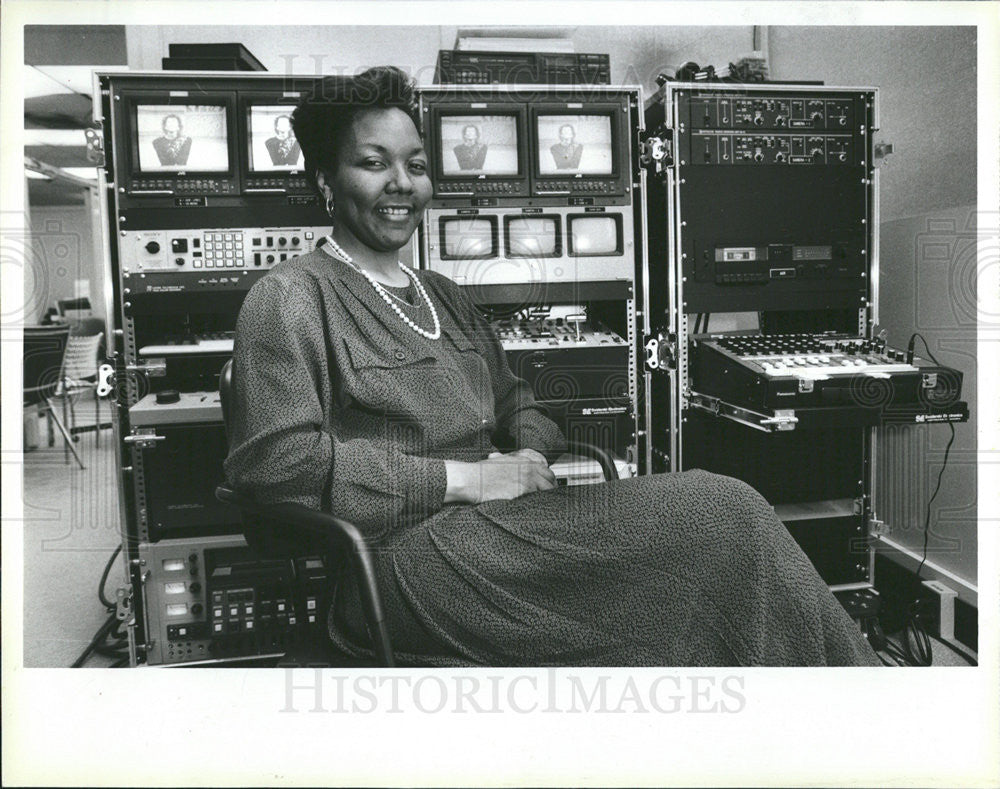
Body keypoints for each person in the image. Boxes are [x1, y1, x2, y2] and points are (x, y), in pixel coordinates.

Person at [224, 67, 880, 667]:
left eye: (416, 164)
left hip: (507, 527)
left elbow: (522, 406)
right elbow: (279, 468)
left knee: (722, 525)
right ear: (325, 182)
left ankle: (832, 707)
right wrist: (469, 480)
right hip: (407, 558)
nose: (402, 183)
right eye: (373, 163)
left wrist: (529, 455)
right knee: (720, 518)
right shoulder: (289, 296)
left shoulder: (442, 294)